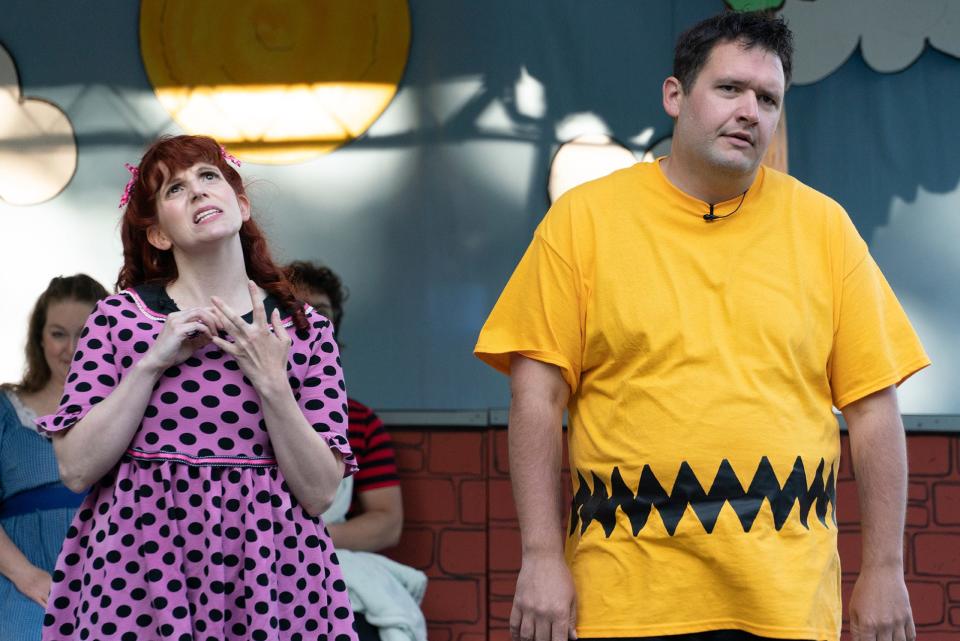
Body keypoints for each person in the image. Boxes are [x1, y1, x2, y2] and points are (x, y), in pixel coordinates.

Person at [475, 11, 928, 641]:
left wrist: (884, 569)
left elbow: (876, 410)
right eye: (729, 89)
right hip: (624, 599)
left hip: (785, 601)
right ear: (675, 95)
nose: (750, 111)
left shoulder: (826, 229)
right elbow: (535, 397)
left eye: (768, 98)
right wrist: (542, 556)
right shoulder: (584, 221)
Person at [37, 135, 358, 641]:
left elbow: (320, 493)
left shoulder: (304, 329)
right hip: (140, 573)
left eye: (209, 177)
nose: (198, 192)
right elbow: (76, 469)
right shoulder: (119, 319)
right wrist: (151, 364)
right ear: (159, 235)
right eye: (174, 189)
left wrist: (273, 384)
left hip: (273, 577)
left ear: (241, 203)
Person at [285, 261, 416, 641]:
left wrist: (299, 538)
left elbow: (386, 523)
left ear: (334, 337)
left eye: (318, 315)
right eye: (291, 309)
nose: (303, 323)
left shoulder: (358, 420)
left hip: (329, 580)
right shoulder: (228, 412)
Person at [0, 274, 108, 641]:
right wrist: (26, 576)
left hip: (116, 587)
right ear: (39, 339)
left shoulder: (129, 408)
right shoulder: (5, 409)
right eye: (58, 333)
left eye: (85, 332)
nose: (72, 347)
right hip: (23, 587)